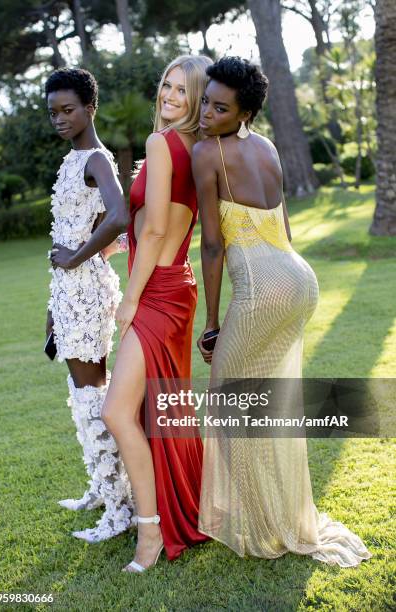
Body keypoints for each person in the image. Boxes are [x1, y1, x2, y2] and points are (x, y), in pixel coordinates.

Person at [193, 56, 371, 567]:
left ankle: (265, 520)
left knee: (227, 403)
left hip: (265, 288)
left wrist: (212, 322)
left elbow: (211, 245)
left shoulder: (208, 154)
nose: (207, 113)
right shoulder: (267, 147)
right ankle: (272, 509)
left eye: (220, 108)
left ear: (243, 113)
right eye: (206, 101)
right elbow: (284, 228)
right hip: (300, 279)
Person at [101, 55, 212, 573]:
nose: (168, 96)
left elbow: (156, 232)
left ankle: (152, 534)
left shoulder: (161, 144)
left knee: (118, 412)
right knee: (164, 411)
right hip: (177, 283)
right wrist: (123, 245)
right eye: (166, 86)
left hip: (158, 292)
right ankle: (181, 510)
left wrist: (130, 298)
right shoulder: (197, 147)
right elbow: (165, 222)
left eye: (181, 91)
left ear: (197, 100)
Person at [46, 68, 134, 542]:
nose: (60, 119)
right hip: (67, 292)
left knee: (91, 395)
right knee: (83, 394)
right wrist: (52, 305)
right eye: (54, 112)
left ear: (89, 108)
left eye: (68, 110)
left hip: (86, 290)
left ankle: (120, 510)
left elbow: (119, 217)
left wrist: (76, 258)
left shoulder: (96, 159)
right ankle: (102, 488)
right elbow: (79, 230)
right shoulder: (71, 160)